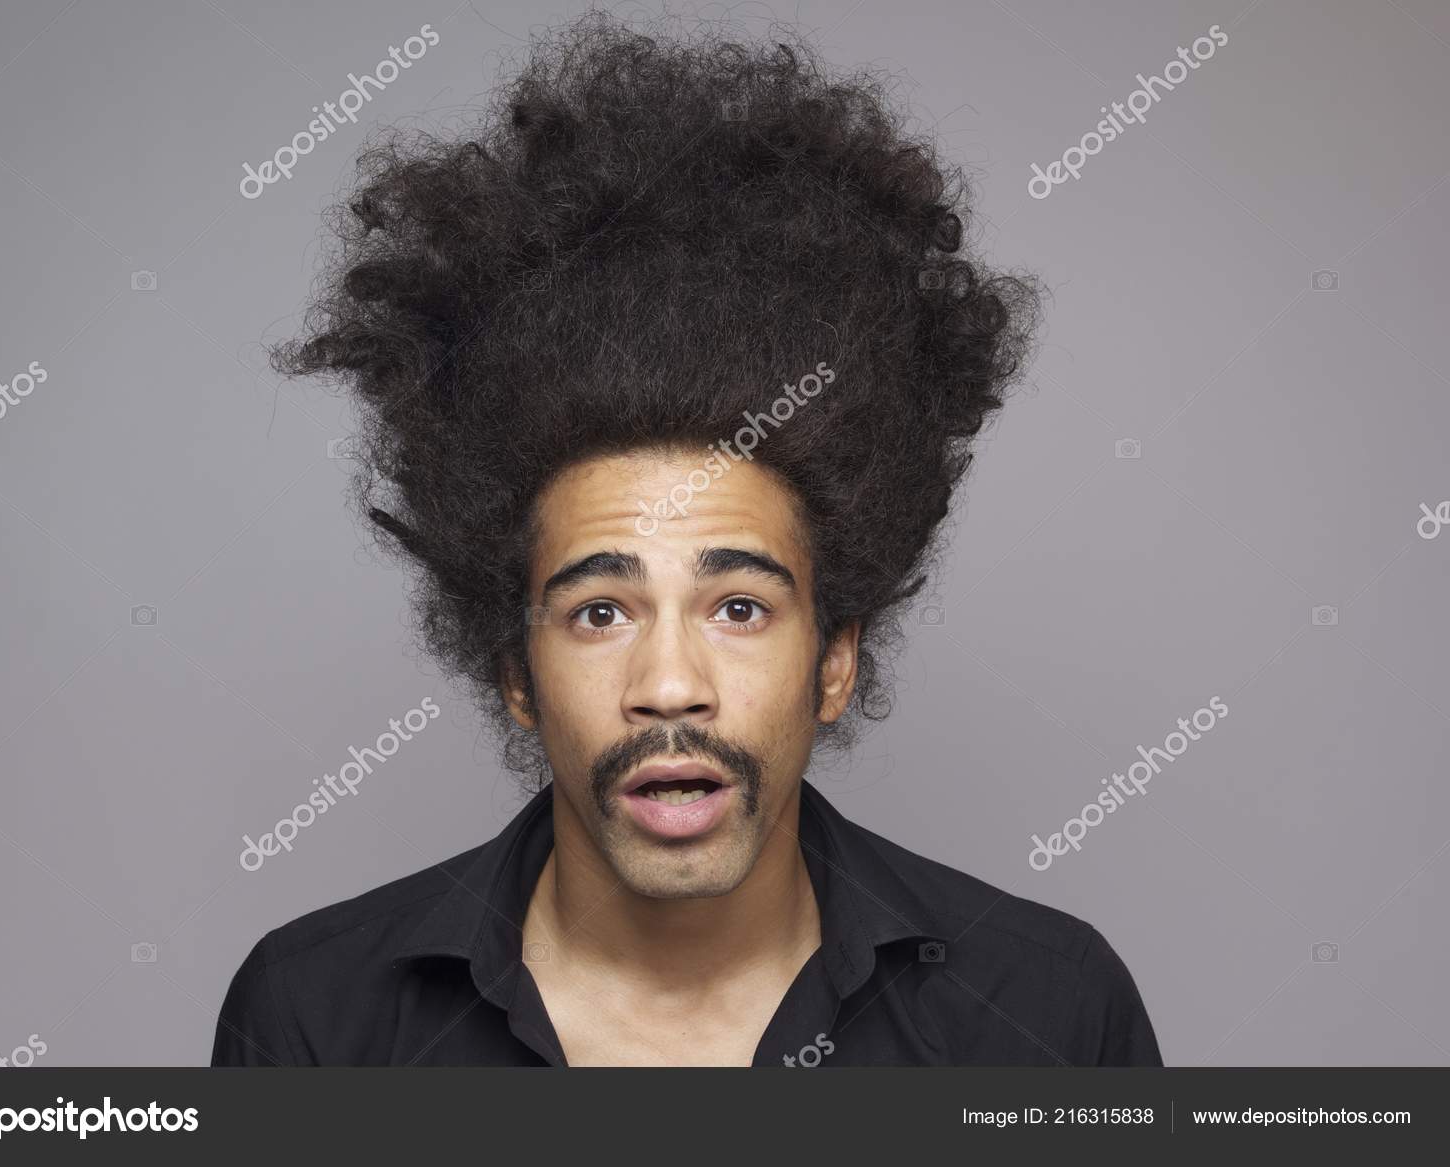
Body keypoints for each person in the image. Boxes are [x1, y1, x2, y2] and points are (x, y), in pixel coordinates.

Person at [212, 10, 1160, 1067]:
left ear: (835, 662)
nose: (669, 684)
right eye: (600, 610)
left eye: (739, 607)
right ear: (517, 673)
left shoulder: (1046, 1010)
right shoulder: (318, 1017)